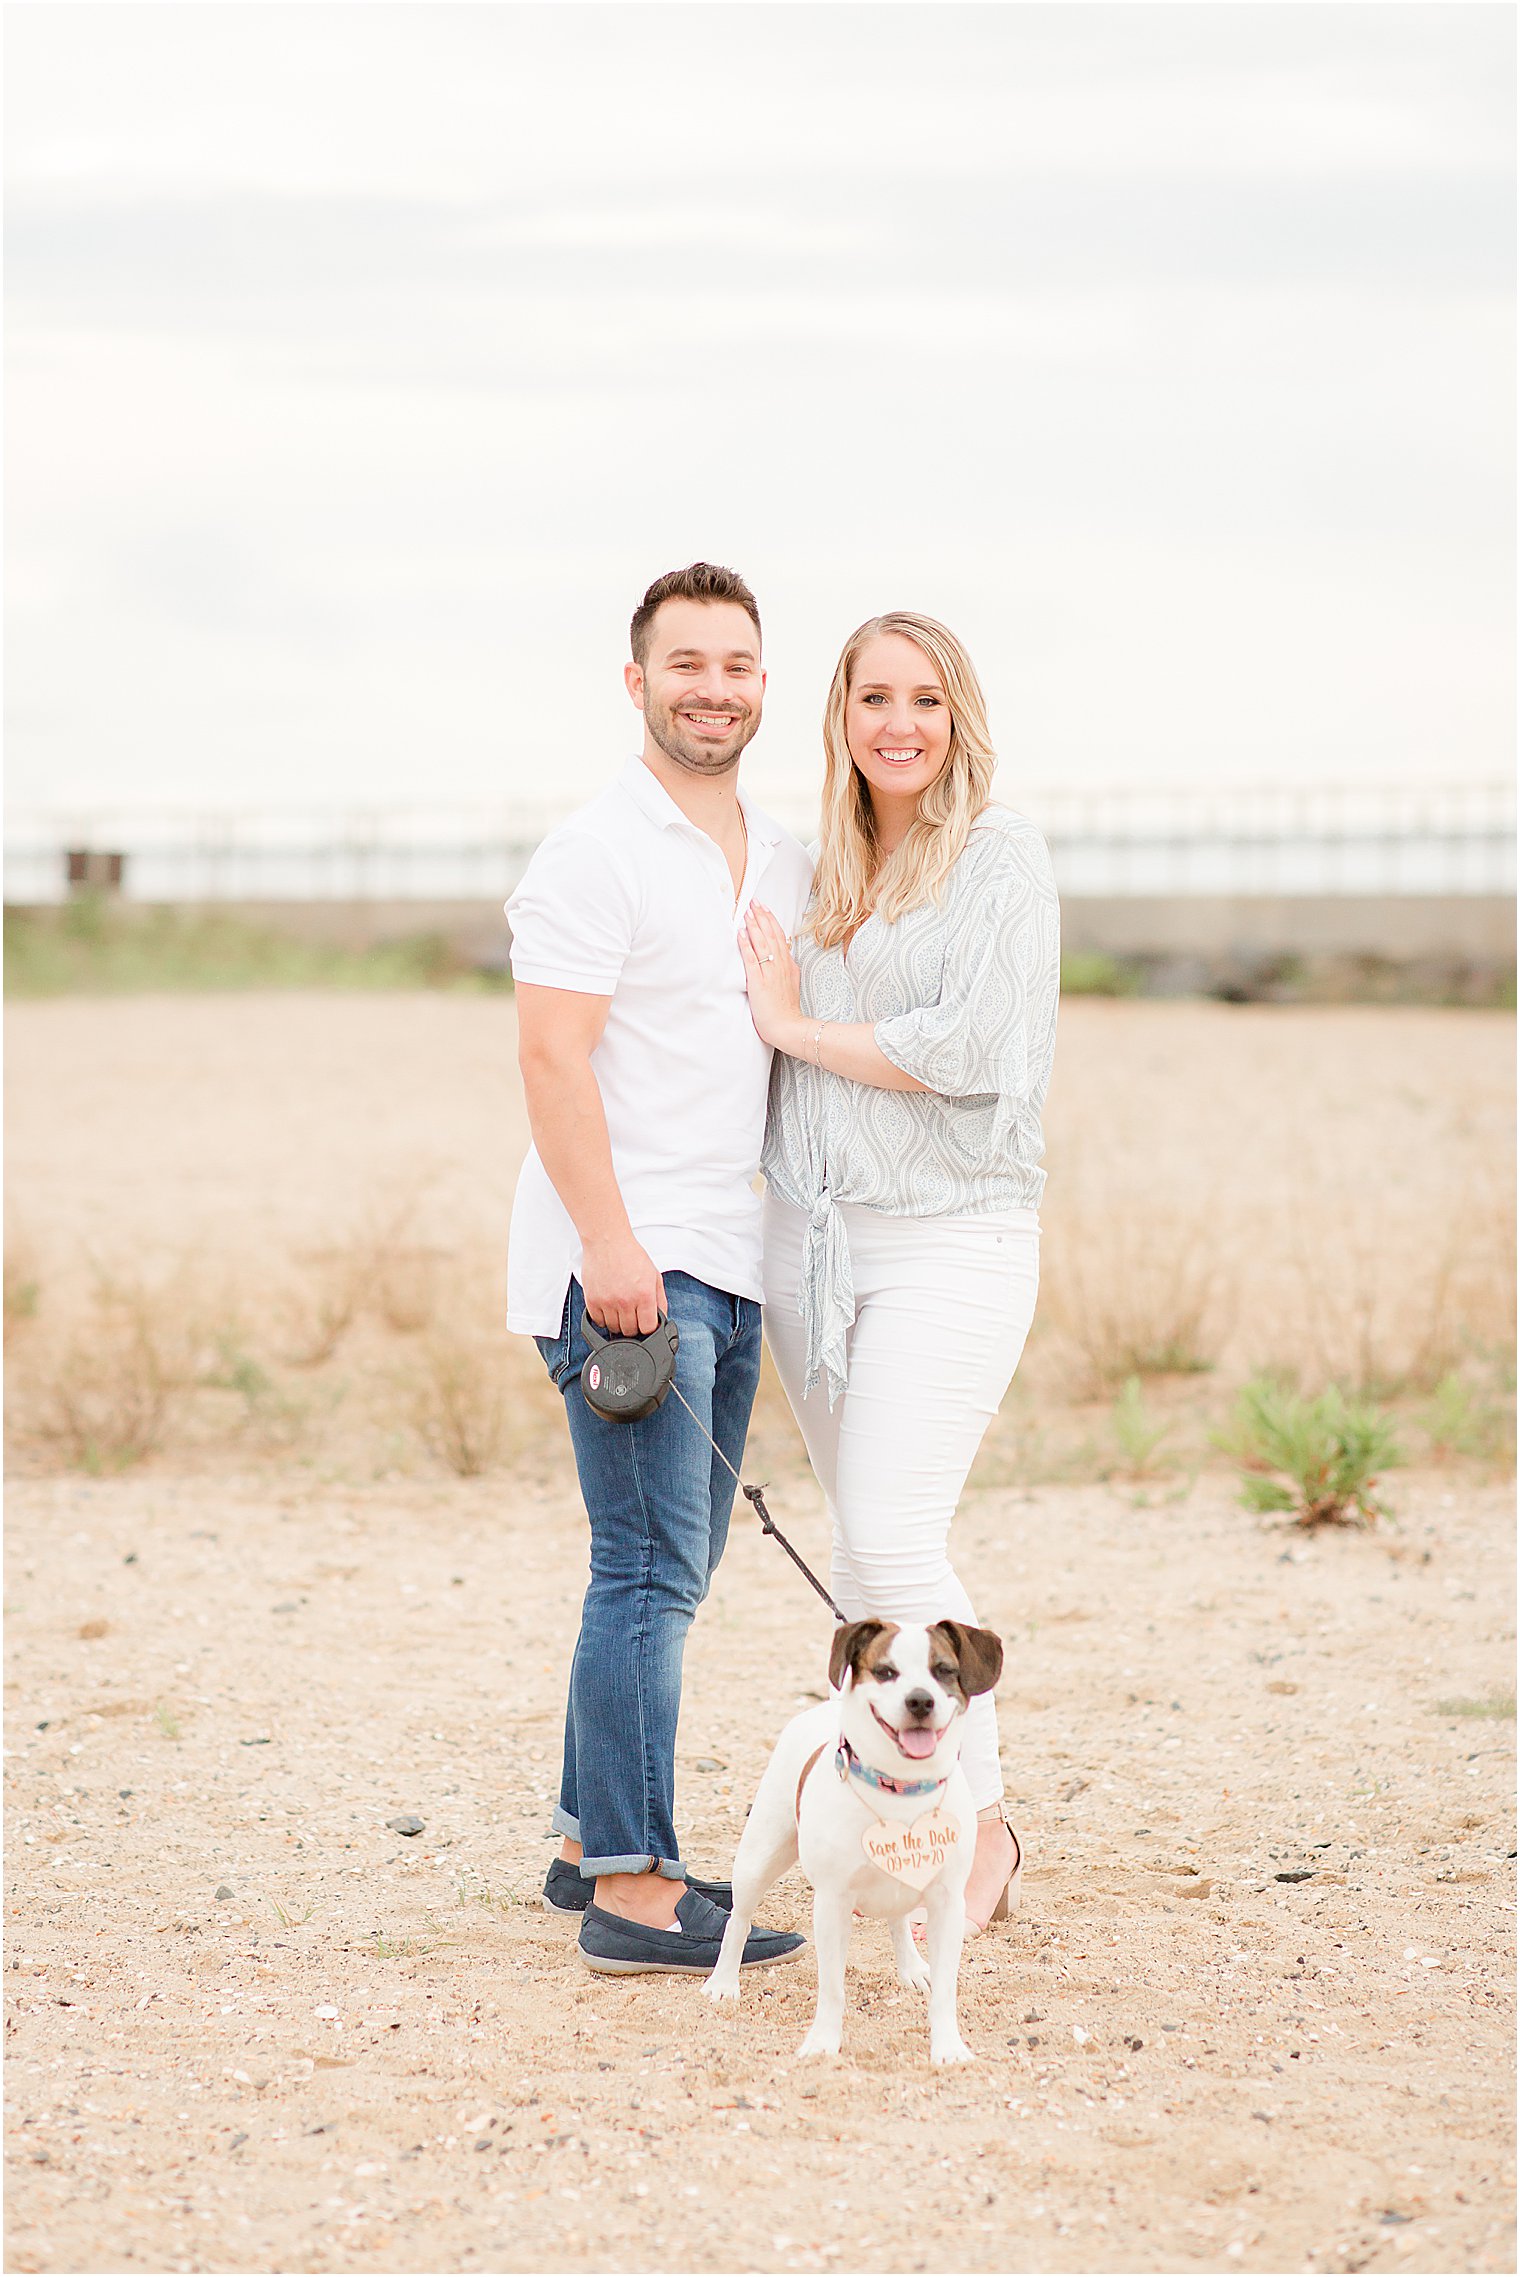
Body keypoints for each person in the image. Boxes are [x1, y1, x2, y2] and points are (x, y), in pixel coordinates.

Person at [505, 562, 814, 1976]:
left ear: (763, 682)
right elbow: (551, 1055)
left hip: (731, 1253)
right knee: (643, 1568)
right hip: (626, 1262)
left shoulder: (779, 853)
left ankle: (585, 1838)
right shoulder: (594, 851)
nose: (714, 687)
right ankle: (637, 1888)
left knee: (670, 1566)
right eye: (685, 664)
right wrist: (609, 1246)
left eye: (737, 664)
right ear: (637, 684)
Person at [738, 609, 1059, 1933]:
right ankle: (913, 1811)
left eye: (927, 700)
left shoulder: (998, 858)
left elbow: (972, 1044)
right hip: (811, 1242)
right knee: (874, 1563)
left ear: (958, 715)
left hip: (955, 1233)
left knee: (891, 1529)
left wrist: (793, 1024)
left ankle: (983, 1831)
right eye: (876, 698)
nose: (901, 724)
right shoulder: (809, 870)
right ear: (842, 717)